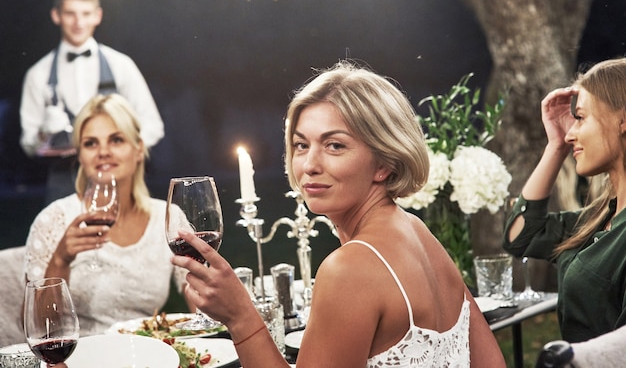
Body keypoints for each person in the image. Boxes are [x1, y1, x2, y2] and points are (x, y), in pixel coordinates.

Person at [171, 61, 505, 367]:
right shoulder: (416, 230)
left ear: (385, 162)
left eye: (335, 146)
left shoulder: (349, 269)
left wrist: (240, 315)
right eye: (301, 145)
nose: (310, 165)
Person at [23, 94, 187, 336]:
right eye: (90, 143)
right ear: (80, 156)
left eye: (116, 140)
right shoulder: (53, 219)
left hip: (152, 355)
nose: (103, 152)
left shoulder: (168, 216)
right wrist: (61, 260)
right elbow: (37, 329)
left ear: (139, 149)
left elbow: (204, 298)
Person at [503, 58, 626, 343]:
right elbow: (521, 237)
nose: (571, 133)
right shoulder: (600, 218)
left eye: (580, 117)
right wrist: (555, 146)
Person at [19, 0, 164, 203]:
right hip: (63, 183)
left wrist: (124, 153)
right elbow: (29, 143)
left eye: (86, 14)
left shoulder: (121, 65)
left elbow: (153, 125)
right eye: (70, 14)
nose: (79, 22)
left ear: (98, 15)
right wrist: (43, 133)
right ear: (56, 16)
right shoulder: (37, 74)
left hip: (117, 177)